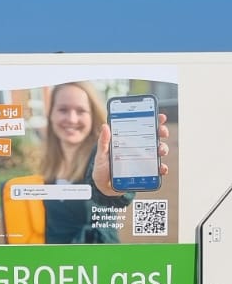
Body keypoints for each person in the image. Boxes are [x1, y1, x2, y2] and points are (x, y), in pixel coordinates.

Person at [34, 81, 169, 244]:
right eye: (63, 110)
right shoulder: (49, 161)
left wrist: (112, 188)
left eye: (81, 111)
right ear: (51, 114)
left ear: (92, 115)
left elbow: (113, 195)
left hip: (99, 260)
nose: (71, 118)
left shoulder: (101, 155)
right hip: (57, 263)